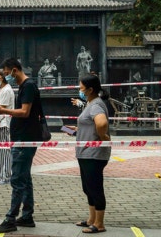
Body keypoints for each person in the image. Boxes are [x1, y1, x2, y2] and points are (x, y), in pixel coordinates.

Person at [0, 58, 43, 233]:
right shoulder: (24, 86)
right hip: (22, 138)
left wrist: (3, 110)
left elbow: (24, 112)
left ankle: (10, 218)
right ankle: (27, 216)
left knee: (17, 179)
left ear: (14, 70)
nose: (6, 77)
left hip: (24, 139)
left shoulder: (28, 86)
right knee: (25, 178)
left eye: (7, 73)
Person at [65, 74, 111, 234]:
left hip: (94, 153)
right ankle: (91, 219)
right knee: (88, 188)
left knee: (95, 187)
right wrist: (78, 130)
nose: (80, 91)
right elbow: (92, 124)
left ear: (91, 89)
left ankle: (99, 224)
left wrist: (103, 137)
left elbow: (101, 122)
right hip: (85, 152)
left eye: (82, 88)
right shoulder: (90, 103)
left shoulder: (96, 105)